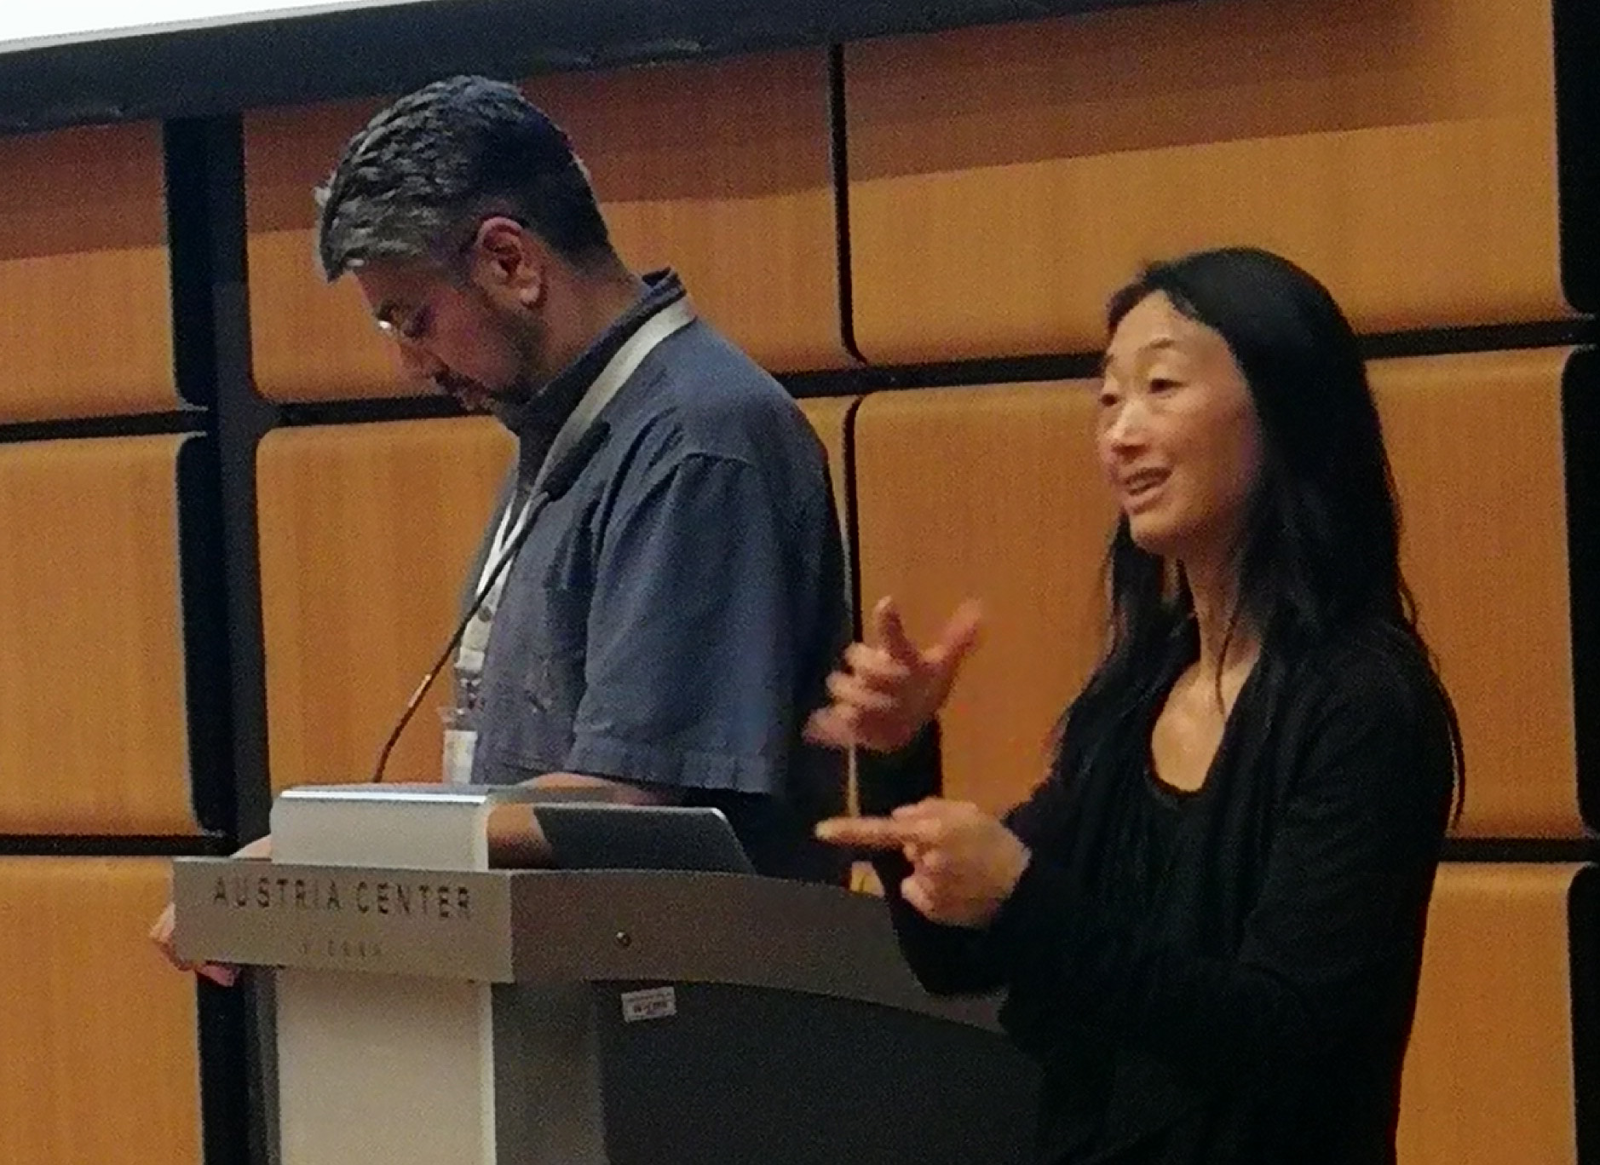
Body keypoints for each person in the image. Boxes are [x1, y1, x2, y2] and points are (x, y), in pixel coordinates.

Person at [153, 74, 850, 982]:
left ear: (511, 261)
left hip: (690, 1017)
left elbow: (626, 799)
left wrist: (330, 855)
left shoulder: (695, 441)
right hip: (572, 992)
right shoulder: (572, 426)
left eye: (413, 319)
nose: (410, 364)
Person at [808, 247, 1463, 1164]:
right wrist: (901, 757)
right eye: (1108, 397)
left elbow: (1283, 1037)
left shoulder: (1365, 705)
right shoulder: (1142, 689)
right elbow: (955, 957)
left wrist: (1024, 896)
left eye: (1160, 386)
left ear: (1285, 407)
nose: (1120, 433)